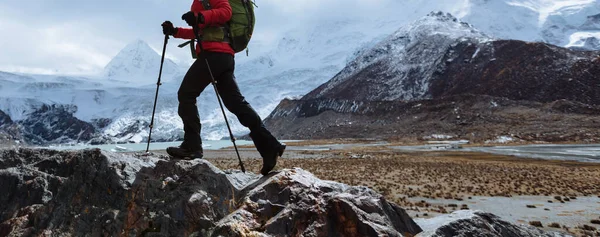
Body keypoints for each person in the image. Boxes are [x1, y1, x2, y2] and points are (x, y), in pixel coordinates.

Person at [161, 0, 285, 175]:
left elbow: (226, 12)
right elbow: (203, 31)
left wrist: (200, 16)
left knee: (186, 94)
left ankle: (192, 146)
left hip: (213, 55)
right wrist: (176, 32)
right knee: (236, 103)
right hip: (224, 57)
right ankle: (270, 146)